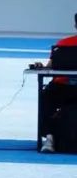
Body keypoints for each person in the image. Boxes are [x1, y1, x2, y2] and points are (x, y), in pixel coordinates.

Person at [31, 12, 77, 153]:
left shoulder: (63, 44)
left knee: (45, 99)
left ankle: (49, 138)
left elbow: (51, 66)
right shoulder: (63, 43)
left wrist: (41, 67)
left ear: (75, 25)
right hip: (63, 88)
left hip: (61, 88)